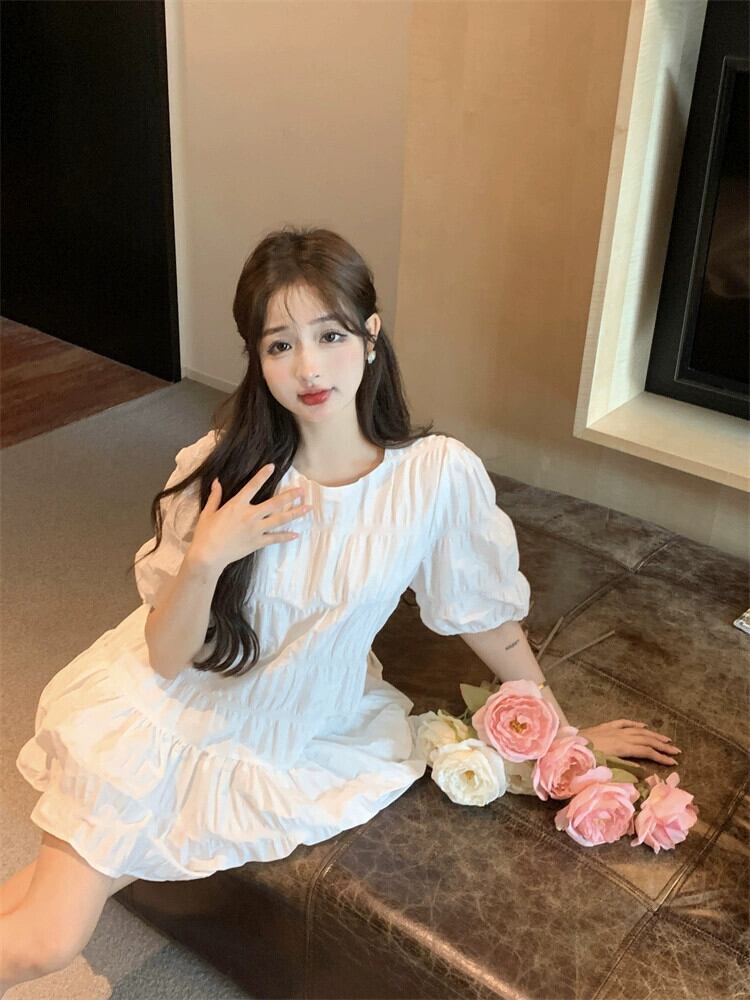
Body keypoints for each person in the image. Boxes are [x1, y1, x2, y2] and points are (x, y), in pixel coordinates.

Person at [1, 225, 680, 993]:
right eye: (279, 345)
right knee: (47, 942)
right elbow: (165, 656)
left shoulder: (433, 477)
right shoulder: (226, 467)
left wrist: (562, 734)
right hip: (181, 715)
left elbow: (487, 619)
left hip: (305, 726)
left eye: (329, 335)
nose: (309, 367)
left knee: (39, 901)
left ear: (371, 336)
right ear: (258, 360)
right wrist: (206, 557)